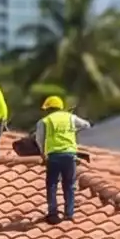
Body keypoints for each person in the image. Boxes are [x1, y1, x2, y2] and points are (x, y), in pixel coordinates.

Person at [38, 94, 81, 223]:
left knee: (52, 184)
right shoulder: (71, 118)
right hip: (69, 155)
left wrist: (42, 153)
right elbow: (86, 125)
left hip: (53, 155)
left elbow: (39, 139)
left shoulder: (44, 121)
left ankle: (53, 213)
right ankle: (69, 213)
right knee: (69, 185)